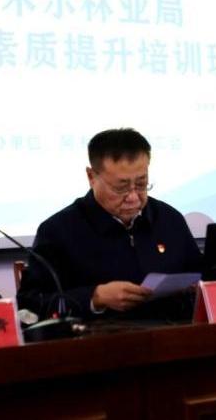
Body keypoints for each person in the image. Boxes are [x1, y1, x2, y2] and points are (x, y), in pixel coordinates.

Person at [17, 128, 202, 320]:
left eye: (141, 184)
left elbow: (202, 277)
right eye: (121, 188)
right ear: (91, 177)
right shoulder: (58, 231)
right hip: (97, 335)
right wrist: (95, 298)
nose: (133, 197)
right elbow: (29, 306)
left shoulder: (169, 219)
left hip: (174, 333)